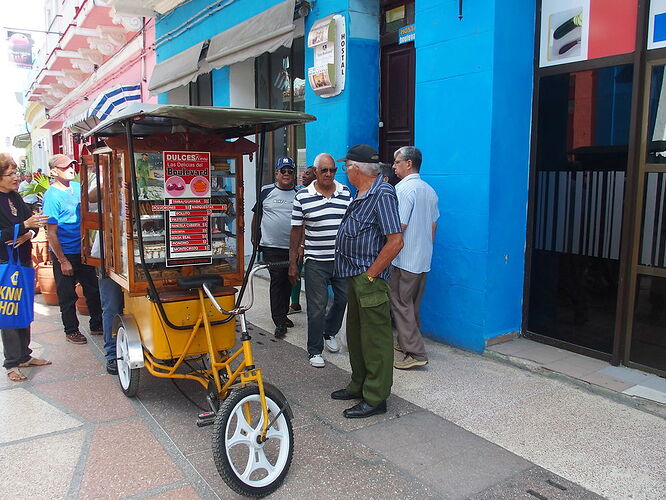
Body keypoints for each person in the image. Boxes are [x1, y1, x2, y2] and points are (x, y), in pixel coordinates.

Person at [331, 144, 403, 419]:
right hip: (355, 276)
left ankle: (375, 397)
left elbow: (395, 241)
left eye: (346, 166)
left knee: (375, 341)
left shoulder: (382, 193)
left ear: (357, 169)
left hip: (368, 279)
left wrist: (371, 274)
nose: (344, 171)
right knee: (358, 337)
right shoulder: (361, 193)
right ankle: (359, 384)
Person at [289, 154, 352, 368]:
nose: (328, 174)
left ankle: (329, 332)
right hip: (315, 260)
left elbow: (351, 225)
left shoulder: (345, 193)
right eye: (324, 170)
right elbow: (296, 230)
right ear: (315, 171)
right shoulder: (303, 196)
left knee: (343, 299)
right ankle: (314, 350)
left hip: (341, 261)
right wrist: (292, 262)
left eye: (332, 170)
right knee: (317, 307)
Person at [43, 154, 103, 345]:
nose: (71, 169)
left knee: (92, 289)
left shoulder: (77, 187)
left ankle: (97, 324)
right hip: (65, 252)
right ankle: (71, 330)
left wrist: (105, 182)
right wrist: (62, 260)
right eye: (65, 167)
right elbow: (51, 233)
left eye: (72, 165)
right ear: (53, 172)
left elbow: (90, 203)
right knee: (67, 295)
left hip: (83, 249)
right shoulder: (51, 196)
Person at [0, 154, 50, 381]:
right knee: (8, 311)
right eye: (10, 174)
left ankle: (24, 355)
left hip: (23, 261)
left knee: (24, 308)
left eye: (16, 173)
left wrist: (28, 232)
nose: (16, 178)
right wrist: (23, 227)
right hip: (4, 264)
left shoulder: (16, 197)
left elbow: (33, 224)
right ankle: (11, 363)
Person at [390, 146, 439, 369]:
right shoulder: (429, 190)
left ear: (408, 163)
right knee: (412, 305)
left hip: (405, 258)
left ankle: (416, 352)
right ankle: (405, 341)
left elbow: (398, 227)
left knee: (401, 303)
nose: (394, 166)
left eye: (397, 162)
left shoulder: (403, 190)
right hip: (423, 259)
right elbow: (433, 226)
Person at [251, 157, 298, 338]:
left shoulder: (299, 193)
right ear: (276, 173)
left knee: (289, 280)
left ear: (293, 174)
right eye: (283, 171)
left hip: (292, 248)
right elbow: (257, 215)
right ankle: (278, 320)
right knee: (278, 280)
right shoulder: (266, 191)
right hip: (271, 246)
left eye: (290, 171)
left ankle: (283, 314)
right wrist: (254, 238)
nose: (286, 174)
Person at [289, 165, 316, 314]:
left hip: (307, 242)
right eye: (303, 174)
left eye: (307, 174)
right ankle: (295, 302)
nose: (303, 176)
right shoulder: (298, 191)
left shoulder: (313, 194)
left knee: (300, 271)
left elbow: (305, 223)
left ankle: (297, 303)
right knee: (295, 270)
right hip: (296, 239)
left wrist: (302, 244)